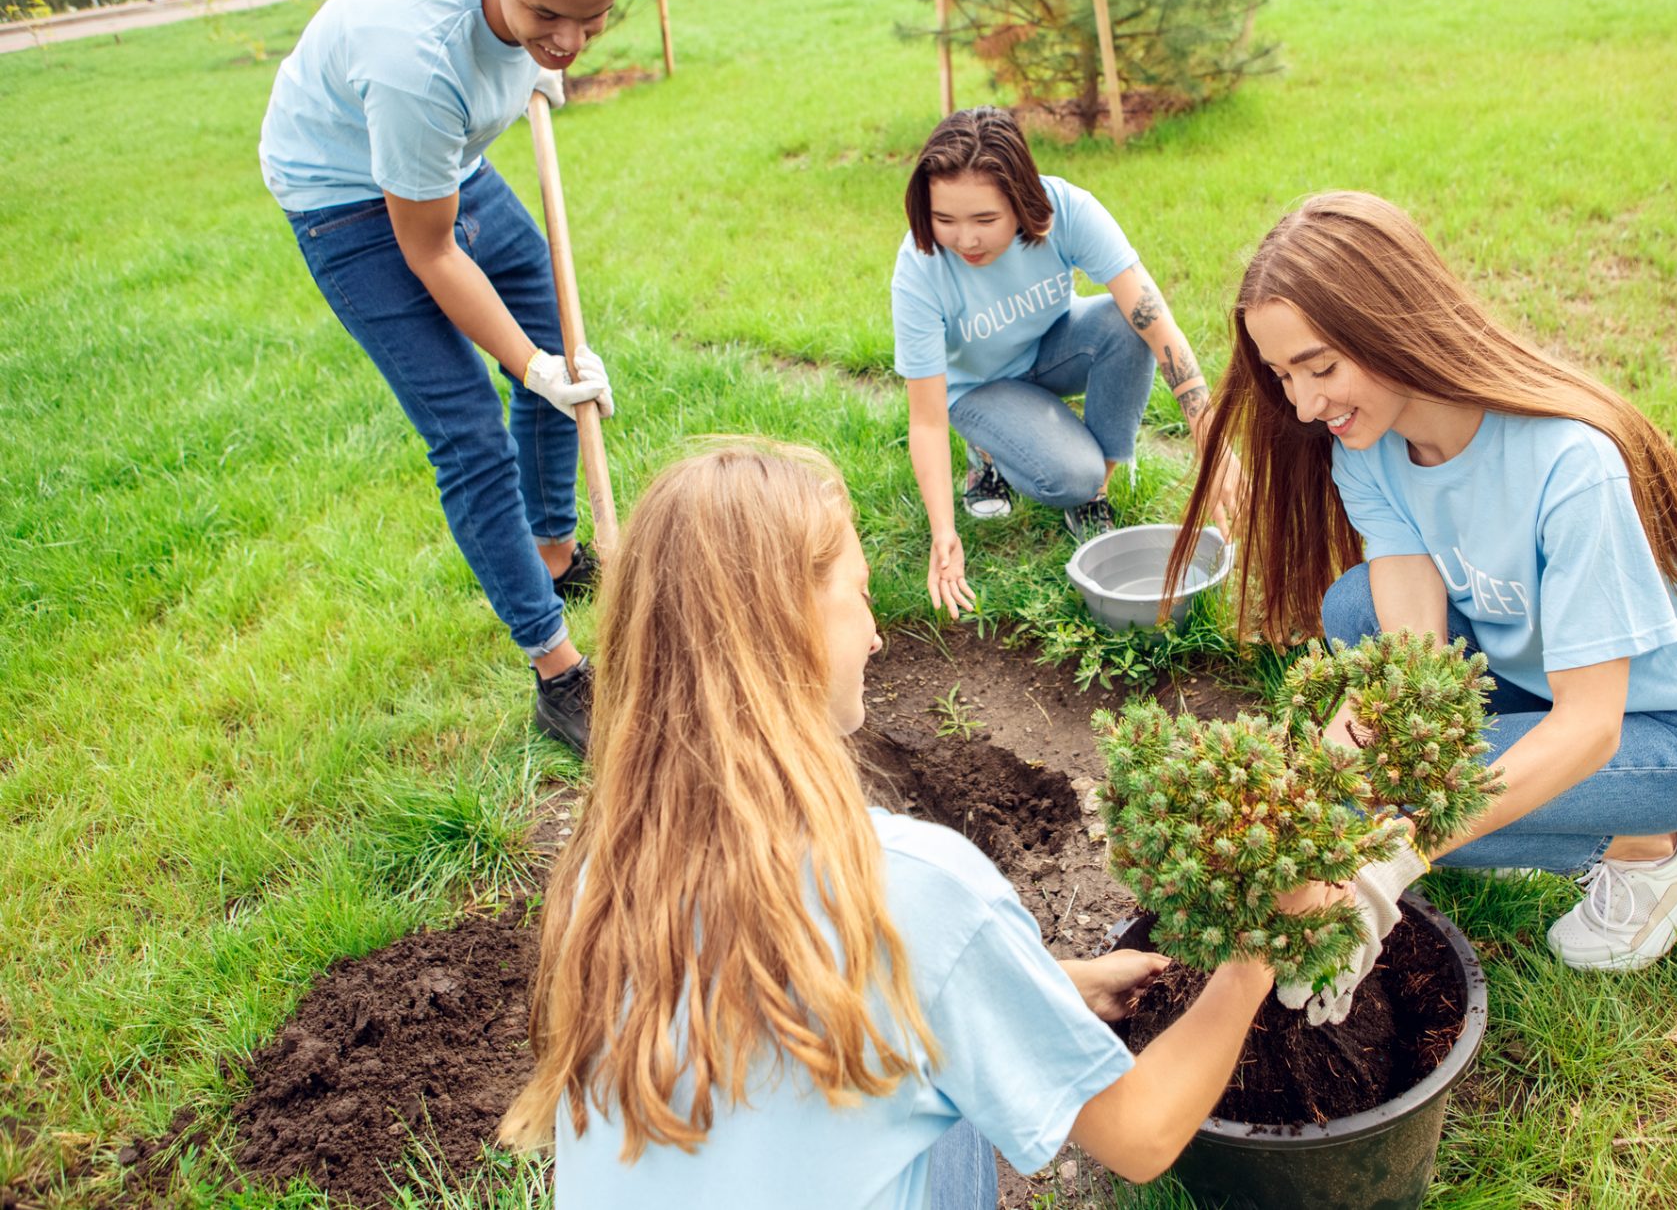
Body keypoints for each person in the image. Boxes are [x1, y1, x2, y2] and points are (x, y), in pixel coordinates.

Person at [497, 440, 1308, 1207]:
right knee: (961, 1110)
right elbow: (1139, 1133)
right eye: (857, 593)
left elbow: (800, 1011)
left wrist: (1053, 987)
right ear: (790, 627)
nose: (878, 630)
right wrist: (1258, 954)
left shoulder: (602, 874)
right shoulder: (905, 886)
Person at [1172, 191, 1677, 989]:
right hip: (1545, 674)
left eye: (1321, 365)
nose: (1305, 404)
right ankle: (1573, 817)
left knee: (1397, 809)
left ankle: (1656, 850)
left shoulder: (1569, 463)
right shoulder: (1370, 446)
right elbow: (1412, 659)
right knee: (1355, 615)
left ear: (1391, 323)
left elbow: (1593, 724)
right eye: (1284, 374)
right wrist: (1329, 772)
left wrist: (1397, 848)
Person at [258, 0, 627, 754]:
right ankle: (558, 670)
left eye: (594, 17)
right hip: (344, 191)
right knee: (470, 431)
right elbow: (430, 253)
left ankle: (554, 552)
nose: (570, 41)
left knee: (547, 318)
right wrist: (532, 367)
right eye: (547, 15)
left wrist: (539, 49)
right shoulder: (418, 62)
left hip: (441, 161)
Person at [892, 107, 1240, 619]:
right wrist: (942, 532)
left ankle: (1094, 493)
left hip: (1050, 347)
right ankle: (991, 450)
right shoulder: (920, 270)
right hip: (976, 388)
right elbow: (925, 418)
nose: (965, 239)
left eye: (985, 220)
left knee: (1127, 320)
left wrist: (1211, 439)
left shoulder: (1067, 210)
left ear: (1023, 199)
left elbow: (1154, 319)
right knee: (1070, 474)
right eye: (946, 220)